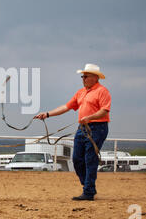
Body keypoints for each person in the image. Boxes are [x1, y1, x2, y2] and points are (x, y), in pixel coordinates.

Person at [34, 63, 111, 201]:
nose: (83, 79)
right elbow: (66, 107)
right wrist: (47, 114)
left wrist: (90, 117)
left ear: (95, 77)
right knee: (76, 159)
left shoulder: (102, 91)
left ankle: (88, 191)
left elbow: (104, 110)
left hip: (97, 128)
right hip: (83, 128)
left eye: (85, 76)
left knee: (89, 158)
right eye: (83, 76)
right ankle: (88, 186)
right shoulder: (80, 93)